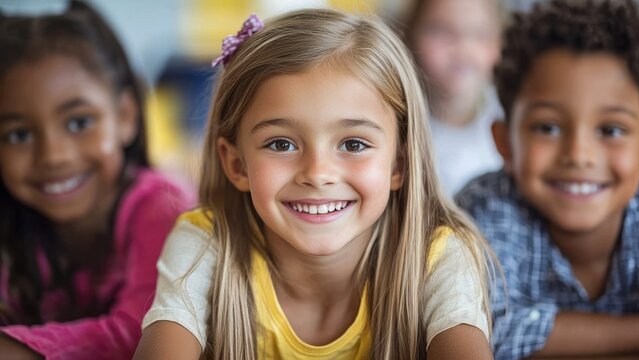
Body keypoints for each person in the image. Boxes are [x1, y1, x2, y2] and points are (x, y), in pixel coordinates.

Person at [134, 8, 494, 360]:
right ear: (237, 164)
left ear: (399, 163)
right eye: (281, 144)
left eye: (353, 144)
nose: (318, 173)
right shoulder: (205, 242)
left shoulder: (437, 256)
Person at [0, 1, 195, 359]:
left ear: (125, 116)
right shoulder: (13, 222)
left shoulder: (163, 206)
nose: (53, 156)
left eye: (79, 123)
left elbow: (144, 331)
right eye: (18, 135)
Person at [455, 0, 639, 358]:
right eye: (548, 127)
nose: (578, 154)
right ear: (505, 142)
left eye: (611, 129)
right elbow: (486, 330)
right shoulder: (487, 207)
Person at [403, 0, 505, 196]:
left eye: (481, 34)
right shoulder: (399, 122)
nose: (463, 50)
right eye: (442, 31)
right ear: (410, 34)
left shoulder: (508, 113)